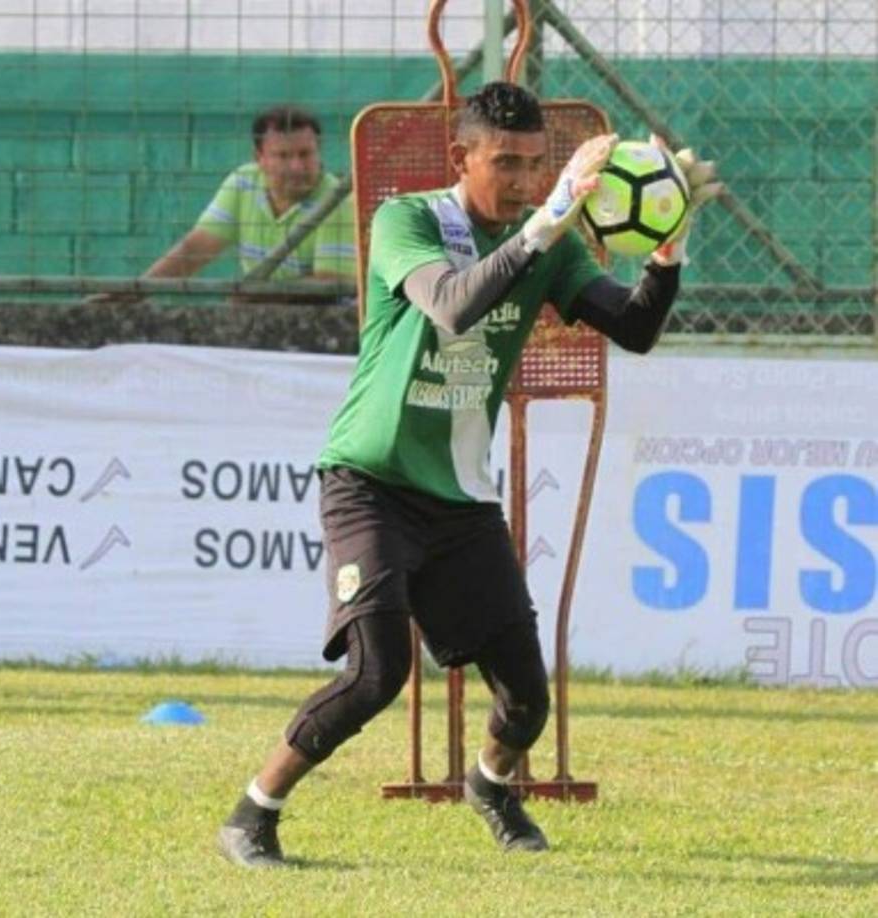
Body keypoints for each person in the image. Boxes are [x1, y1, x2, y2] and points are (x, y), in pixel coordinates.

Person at [217, 81, 721, 866]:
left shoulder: (543, 245)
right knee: (377, 672)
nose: (523, 181)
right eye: (506, 163)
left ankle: (487, 785)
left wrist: (670, 247)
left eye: (535, 165)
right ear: (463, 156)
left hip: (459, 499)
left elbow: (636, 328)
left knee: (526, 701)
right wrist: (551, 219)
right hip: (369, 481)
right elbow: (451, 306)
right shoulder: (406, 219)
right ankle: (253, 813)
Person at [91, 105, 355, 303]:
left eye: (305, 154)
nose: (297, 166)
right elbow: (196, 248)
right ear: (259, 158)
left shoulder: (338, 199)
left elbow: (329, 285)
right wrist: (137, 293)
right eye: (283, 156)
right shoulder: (243, 182)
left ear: (319, 150)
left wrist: (253, 297)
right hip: (261, 313)